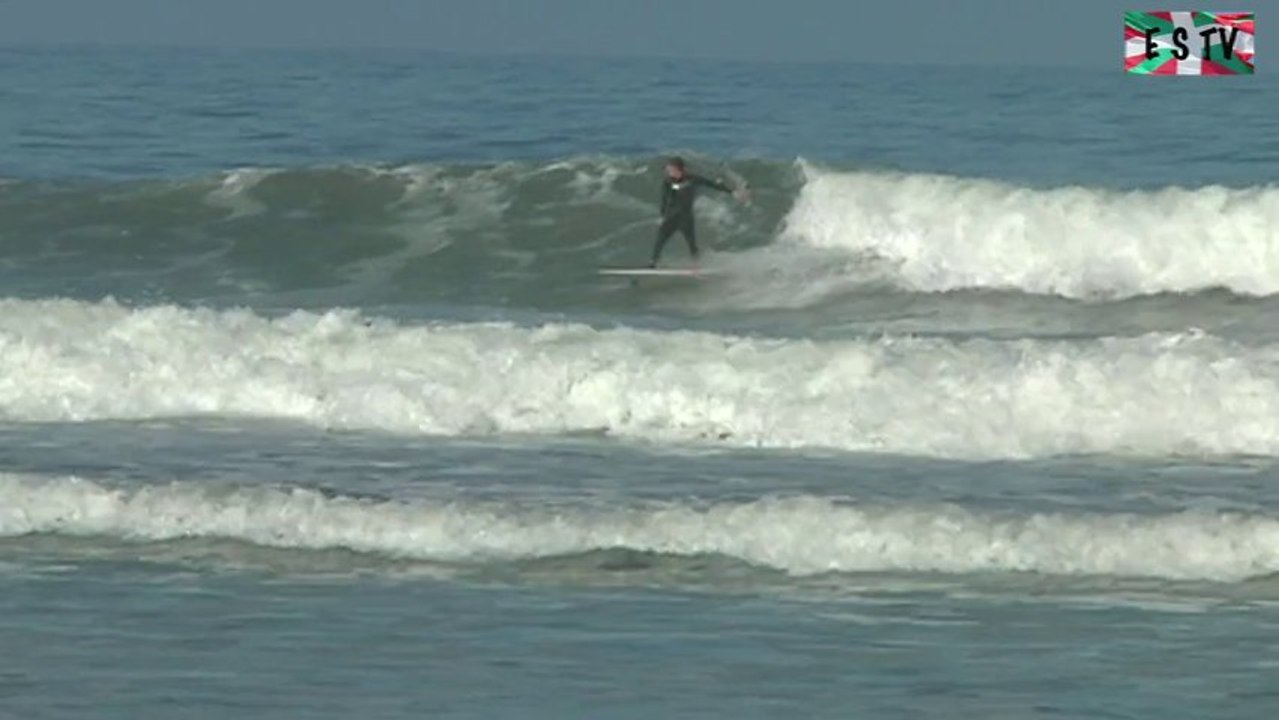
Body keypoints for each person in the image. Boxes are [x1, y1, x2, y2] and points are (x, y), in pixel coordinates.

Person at [650, 156, 748, 268]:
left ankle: (695, 266)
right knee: (660, 240)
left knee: (691, 243)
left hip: (685, 217)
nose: (668, 172)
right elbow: (665, 199)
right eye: (668, 170)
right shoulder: (668, 182)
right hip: (671, 216)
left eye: (671, 170)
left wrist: (732, 192)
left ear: (679, 169)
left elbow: (712, 184)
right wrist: (663, 215)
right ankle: (653, 263)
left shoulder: (692, 179)